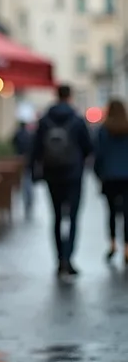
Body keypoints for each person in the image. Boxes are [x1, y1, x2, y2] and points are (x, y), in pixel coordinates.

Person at [30, 84, 93, 276]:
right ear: (70, 96)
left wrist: (34, 171)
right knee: (73, 217)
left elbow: (36, 149)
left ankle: (58, 260)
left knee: (56, 217)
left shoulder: (45, 120)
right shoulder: (77, 120)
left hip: (52, 173)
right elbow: (89, 147)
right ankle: (68, 257)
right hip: (73, 174)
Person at [94, 99, 128, 264]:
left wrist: (98, 174)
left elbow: (98, 155)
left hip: (109, 176)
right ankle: (127, 247)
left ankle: (113, 243)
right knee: (127, 213)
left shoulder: (103, 130)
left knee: (112, 212)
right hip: (127, 176)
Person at [12, 120, 34, 217]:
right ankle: (28, 198)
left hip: (19, 159)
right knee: (27, 180)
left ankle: (26, 196)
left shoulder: (17, 134)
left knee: (24, 179)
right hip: (27, 161)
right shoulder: (29, 135)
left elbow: (13, 143)